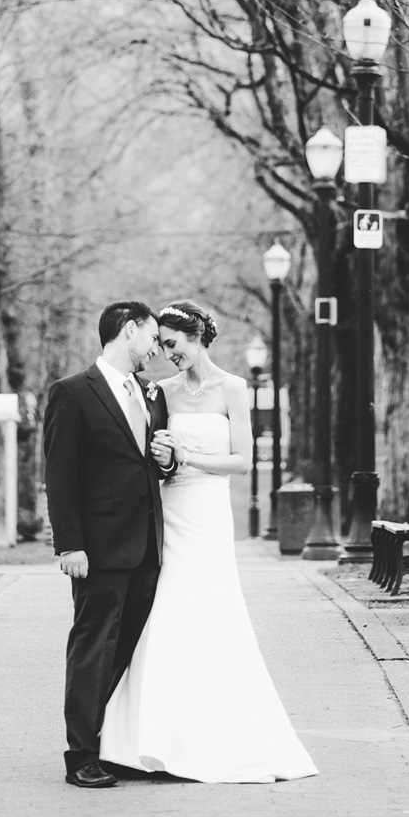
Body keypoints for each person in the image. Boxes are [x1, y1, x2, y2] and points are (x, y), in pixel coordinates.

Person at [100, 300, 317, 783]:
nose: (165, 354)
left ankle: (216, 734)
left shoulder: (234, 389)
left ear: (196, 337)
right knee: (166, 611)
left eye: (172, 344)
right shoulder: (159, 392)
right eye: (159, 345)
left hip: (209, 514)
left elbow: (242, 461)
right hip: (170, 512)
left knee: (211, 612)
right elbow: (156, 458)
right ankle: (149, 739)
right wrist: (164, 457)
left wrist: (190, 458)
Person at [44, 301, 177, 789]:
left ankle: (105, 742)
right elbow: (60, 476)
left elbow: (150, 465)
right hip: (97, 548)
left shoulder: (149, 393)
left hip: (146, 546)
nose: (156, 347)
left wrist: (166, 461)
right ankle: (79, 754)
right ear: (128, 330)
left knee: (124, 648)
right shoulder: (72, 393)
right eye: (152, 336)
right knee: (92, 646)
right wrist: (69, 546)